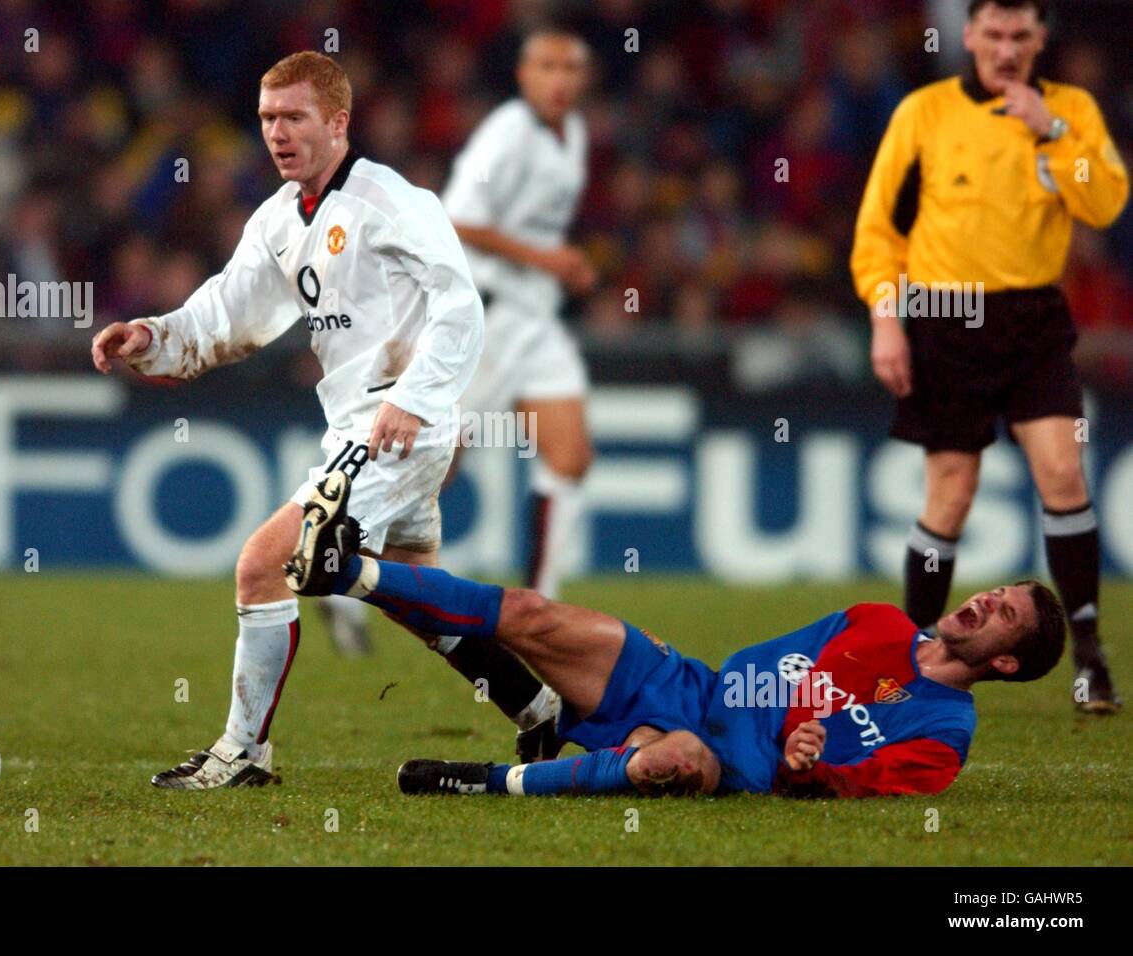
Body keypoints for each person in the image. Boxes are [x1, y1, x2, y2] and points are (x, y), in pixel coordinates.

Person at [91, 52, 540, 789]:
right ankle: (541, 708)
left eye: (294, 116)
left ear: (338, 121)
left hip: (398, 425)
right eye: (267, 118)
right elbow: (226, 314)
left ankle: (242, 754)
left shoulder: (393, 201)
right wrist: (150, 336)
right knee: (421, 600)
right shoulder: (277, 220)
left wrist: (416, 397)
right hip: (362, 426)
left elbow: (460, 304)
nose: (277, 132)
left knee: (263, 564)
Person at [284, 471, 1066, 798]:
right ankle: (346, 571)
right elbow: (766, 660)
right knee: (534, 614)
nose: (982, 600)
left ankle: (483, 779)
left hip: (722, 760)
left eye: (1002, 614)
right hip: (687, 683)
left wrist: (805, 766)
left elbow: (863, 783)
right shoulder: (880, 622)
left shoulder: (942, 736)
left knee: (675, 760)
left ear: (1003, 660)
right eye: (994, 591)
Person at [852, 0, 1127, 712]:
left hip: (1032, 314)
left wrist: (1055, 132)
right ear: (970, 35)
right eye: (994, 34)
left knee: (1063, 470)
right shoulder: (925, 112)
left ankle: (1089, 655)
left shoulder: (1068, 112)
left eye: (1020, 35)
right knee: (951, 492)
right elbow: (879, 228)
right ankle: (913, 654)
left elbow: (1104, 206)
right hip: (943, 316)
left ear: (1040, 40)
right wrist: (887, 321)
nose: (1006, 48)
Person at [440, 27, 598, 602]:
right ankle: (340, 572)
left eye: (570, 67)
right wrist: (547, 260)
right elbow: (456, 218)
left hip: (535, 318)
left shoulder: (572, 132)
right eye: (547, 66)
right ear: (523, 76)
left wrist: (554, 266)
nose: (560, 79)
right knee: (435, 465)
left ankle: (542, 603)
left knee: (570, 456)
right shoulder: (507, 132)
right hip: (491, 314)